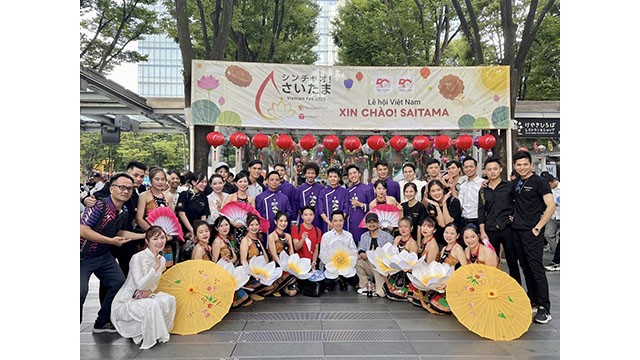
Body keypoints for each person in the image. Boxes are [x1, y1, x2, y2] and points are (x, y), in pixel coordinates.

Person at [80, 173, 145, 333]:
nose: (126, 191)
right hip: (82, 257)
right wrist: (110, 241)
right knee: (80, 291)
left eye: (129, 188)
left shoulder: (122, 211)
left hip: (102, 256)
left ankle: (102, 321)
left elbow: (120, 232)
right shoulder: (98, 206)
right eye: (122, 187)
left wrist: (145, 236)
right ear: (111, 188)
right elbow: (82, 230)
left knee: (118, 282)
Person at [110, 226, 176, 349]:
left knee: (169, 299)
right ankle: (145, 333)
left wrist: (149, 291)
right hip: (128, 299)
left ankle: (157, 332)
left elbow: (155, 283)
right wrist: (154, 268)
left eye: (162, 238)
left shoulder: (161, 259)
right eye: (155, 239)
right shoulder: (138, 257)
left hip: (144, 295)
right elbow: (139, 285)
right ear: (147, 241)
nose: (160, 241)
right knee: (153, 305)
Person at [511, 150, 556, 324]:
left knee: (536, 268)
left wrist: (538, 227)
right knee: (526, 267)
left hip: (532, 232)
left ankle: (545, 307)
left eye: (525, 164)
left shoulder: (540, 182)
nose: (522, 167)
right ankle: (534, 301)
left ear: (531, 164)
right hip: (517, 231)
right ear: (515, 166)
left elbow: (551, 206)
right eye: (519, 165)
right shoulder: (517, 182)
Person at [477, 156, 521, 283]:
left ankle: (516, 289)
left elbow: (518, 203)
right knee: (491, 263)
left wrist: (514, 216)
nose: (492, 172)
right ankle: (493, 289)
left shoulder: (509, 186)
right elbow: (481, 211)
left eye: (495, 169)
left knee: (512, 261)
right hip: (490, 229)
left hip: (508, 228)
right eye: (489, 169)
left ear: (500, 169)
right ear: (485, 171)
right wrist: (482, 231)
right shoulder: (483, 190)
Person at [135, 167, 176, 265]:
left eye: (163, 179)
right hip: (149, 237)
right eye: (157, 179)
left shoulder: (168, 196)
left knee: (165, 267)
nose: (160, 182)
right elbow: (139, 218)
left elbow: (171, 218)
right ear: (150, 180)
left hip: (164, 238)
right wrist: (153, 232)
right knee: (149, 267)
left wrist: (167, 234)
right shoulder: (144, 195)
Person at [210, 216, 252, 307]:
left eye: (226, 225)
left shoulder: (227, 240)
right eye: (221, 226)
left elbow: (235, 258)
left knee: (246, 298)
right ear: (217, 228)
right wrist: (223, 261)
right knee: (244, 298)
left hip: (230, 269)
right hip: (222, 273)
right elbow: (214, 262)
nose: (224, 228)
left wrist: (229, 261)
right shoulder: (217, 242)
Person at [355, 213, 394, 297]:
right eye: (369, 222)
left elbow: (391, 251)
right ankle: (366, 285)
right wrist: (363, 254)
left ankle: (379, 286)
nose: (372, 224)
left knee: (381, 293)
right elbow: (360, 249)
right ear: (366, 224)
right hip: (369, 264)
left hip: (381, 266)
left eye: (374, 222)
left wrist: (376, 253)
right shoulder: (364, 236)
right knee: (357, 262)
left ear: (378, 223)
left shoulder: (387, 236)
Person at [239, 213, 277, 300]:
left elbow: (265, 257)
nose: (254, 227)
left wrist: (267, 269)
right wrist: (252, 274)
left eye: (256, 225)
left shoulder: (257, 240)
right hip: (250, 274)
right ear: (247, 227)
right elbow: (243, 261)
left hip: (260, 271)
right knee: (267, 284)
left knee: (274, 282)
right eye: (251, 225)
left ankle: (256, 291)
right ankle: (251, 292)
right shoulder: (245, 240)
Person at [319, 211, 359, 291]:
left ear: (343, 221)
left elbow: (354, 251)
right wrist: (332, 266)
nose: (338, 223)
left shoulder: (348, 235)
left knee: (355, 280)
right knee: (326, 282)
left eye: (340, 220)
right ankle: (336, 280)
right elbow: (322, 254)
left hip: (345, 264)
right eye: (335, 221)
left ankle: (342, 279)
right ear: (332, 221)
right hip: (331, 264)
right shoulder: (326, 236)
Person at [384, 217, 419, 301]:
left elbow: (413, 263)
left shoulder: (412, 243)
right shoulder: (397, 238)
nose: (403, 229)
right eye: (400, 226)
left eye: (406, 227)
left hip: (406, 272)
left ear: (411, 228)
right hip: (395, 270)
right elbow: (392, 254)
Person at [423, 179, 463, 248]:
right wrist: (437, 206)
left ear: (443, 190)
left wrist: (444, 204)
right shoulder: (431, 205)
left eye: (438, 190)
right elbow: (442, 224)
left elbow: (448, 223)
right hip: (439, 240)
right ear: (429, 193)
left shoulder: (454, 201)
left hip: (455, 240)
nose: (436, 193)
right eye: (433, 191)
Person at [266, 212, 298, 296]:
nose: (283, 223)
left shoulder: (288, 236)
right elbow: (274, 254)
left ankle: (284, 286)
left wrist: (292, 264)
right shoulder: (271, 236)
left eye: (285, 221)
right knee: (290, 291)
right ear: (275, 222)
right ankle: (281, 286)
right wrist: (282, 266)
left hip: (287, 265)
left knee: (293, 292)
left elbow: (291, 251)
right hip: (277, 265)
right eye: (280, 221)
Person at [176, 171, 211, 245]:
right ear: (193, 182)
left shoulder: (204, 198)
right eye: (202, 182)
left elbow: (204, 216)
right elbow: (181, 214)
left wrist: (200, 231)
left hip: (199, 233)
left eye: (205, 182)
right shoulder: (184, 195)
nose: (204, 184)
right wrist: (192, 231)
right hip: (186, 231)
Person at [255, 170, 293, 235]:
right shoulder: (260, 197)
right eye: (272, 180)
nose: (274, 182)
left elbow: (288, 211)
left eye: (277, 180)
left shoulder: (284, 198)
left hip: (281, 228)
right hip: (266, 229)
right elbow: (258, 214)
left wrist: (282, 220)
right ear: (267, 181)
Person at [345, 164, 373, 244]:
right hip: (351, 224)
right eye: (350, 174)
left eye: (354, 173)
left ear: (359, 174)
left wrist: (360, 205)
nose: (353, 175)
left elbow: (373, 207)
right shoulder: (347, 191)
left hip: (364, 224)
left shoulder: (367, 189)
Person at [316, 167, 349, 234]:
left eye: (335, 176)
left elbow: (346, 209)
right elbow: (321, 210)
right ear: (328, 178)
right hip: (327, 225)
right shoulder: (323, 192)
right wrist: (329, 223)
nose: (333, 178)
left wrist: (338, 222)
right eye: (330, 177)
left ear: (339, 178)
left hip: (341, 225)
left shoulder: (344, 192)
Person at [294, 162, 325, 228]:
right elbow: (297, 204)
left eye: (313, 173)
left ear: (316, 174)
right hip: (304, 220)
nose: (310, 175)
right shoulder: (300, 188)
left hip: (318, 219)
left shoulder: (321, 188)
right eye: (308, 173)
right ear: (305, 174)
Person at [540, 172, 560, 272]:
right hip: (553, 217)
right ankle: (557, 252)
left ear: (552, 182)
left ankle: (558, 258)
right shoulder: (548, 190)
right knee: (548, 234)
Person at [291, 206, 322, 270]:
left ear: (314, 216)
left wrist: (314, 261)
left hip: (311, 264)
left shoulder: (318, 231)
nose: (308, 217)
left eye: (311, 214)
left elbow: (316, 248)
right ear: (302, 216)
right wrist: (302, 239)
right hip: (299, 264)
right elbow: (296, 247)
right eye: (306, 215)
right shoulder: (296, 229)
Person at [458, 157, 484, 229]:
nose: (468, 169)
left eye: (471, 166)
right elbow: (460, 203)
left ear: (476, 168)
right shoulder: (463, 186)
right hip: (464, 220)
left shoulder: (483, 183)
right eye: (466, 167)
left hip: (479, 220)